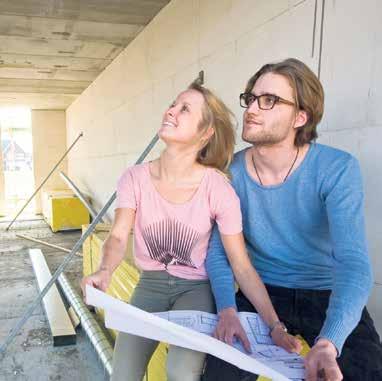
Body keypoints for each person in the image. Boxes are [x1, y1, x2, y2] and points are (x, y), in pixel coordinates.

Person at [81, 83, 301, 381]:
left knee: (181, 371)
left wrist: (275, 326)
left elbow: (241, 265)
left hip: (196, 291)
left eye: (184, 108)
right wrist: (105, 270)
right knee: (123, 373)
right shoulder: (134, 177)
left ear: (205, 132)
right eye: (173, 104)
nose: (170, 110)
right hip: (150, 286)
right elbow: (119, 235)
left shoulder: (218, 188)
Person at [203, 58, 382, 381]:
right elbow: (219, 252)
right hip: (261, 291)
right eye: (252, 98)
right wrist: (227, 308)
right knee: (219, 374)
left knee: (366, 371)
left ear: (301, 117)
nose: (252, 109)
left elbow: (353, 262)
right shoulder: (231, 172)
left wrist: (330, 341)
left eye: (269, 100)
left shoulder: (337, 168)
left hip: (326, 292)